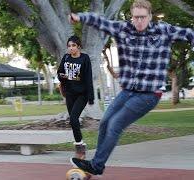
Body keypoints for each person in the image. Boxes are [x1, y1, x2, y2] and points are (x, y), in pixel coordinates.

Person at [68, 0, 194, 175]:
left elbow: (189, 33)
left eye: (143, 17)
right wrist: (79, 17)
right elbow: (100, 21)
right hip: (127, 91)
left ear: (150, 16)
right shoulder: (123, 29)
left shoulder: (163, 30)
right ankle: (96, 162)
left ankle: (96, 165)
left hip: (149, 94)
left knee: (115, 124)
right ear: (132, 17)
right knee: (105, 122)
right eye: (136, 17)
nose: (139, 21)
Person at [57, 35, 94, 159]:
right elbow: (59, 73)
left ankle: (79, 147)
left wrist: (91, 96)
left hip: (82, 94)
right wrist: (63, 76)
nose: (71, 48)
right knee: (73, 122)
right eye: (69, 46)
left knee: (73, 118)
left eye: (73, 45)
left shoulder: (85, 58)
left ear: (78, 46)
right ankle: (81, 143)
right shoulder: (66, 57)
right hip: (69, 94)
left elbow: (88, 77)